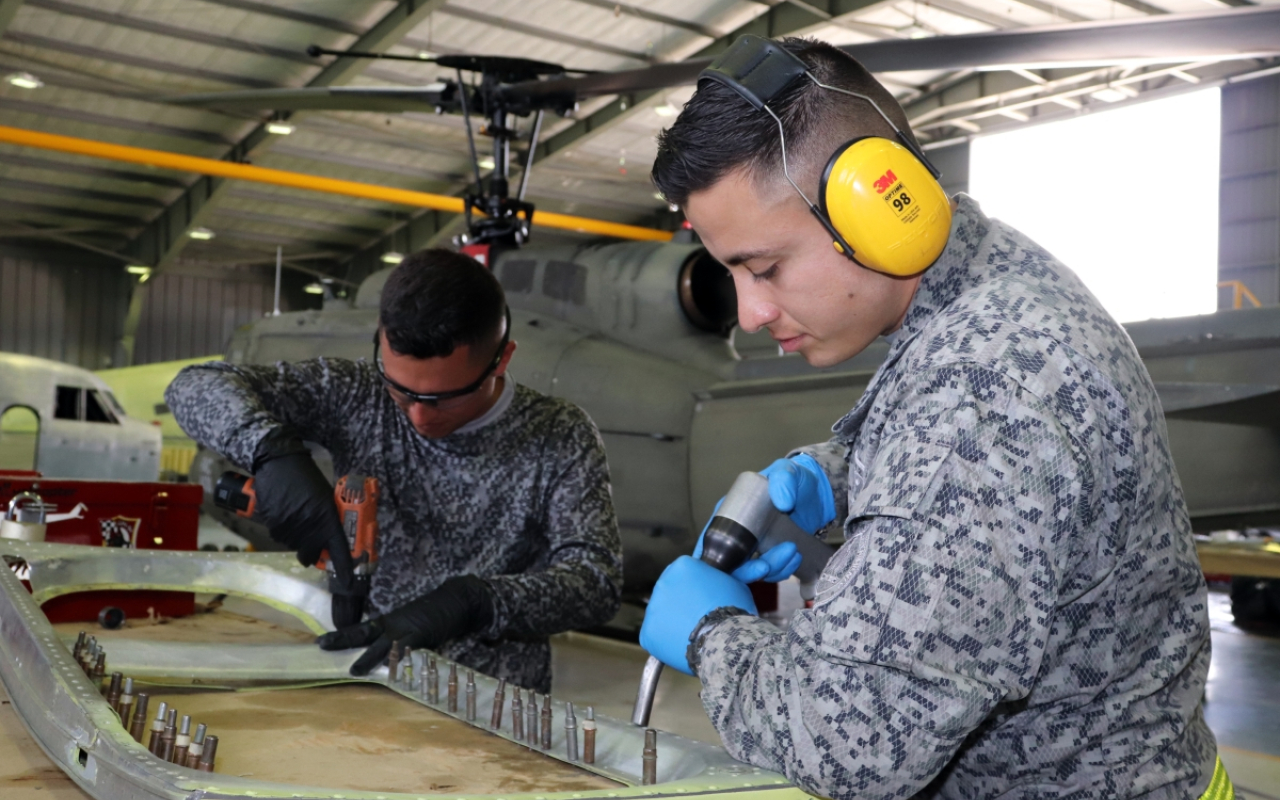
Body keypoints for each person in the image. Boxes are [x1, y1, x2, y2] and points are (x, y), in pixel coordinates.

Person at [638, 35, 1229, 799]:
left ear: (879, 213)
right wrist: (839, 474)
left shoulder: (983, 396)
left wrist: (712, 634)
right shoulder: (991, 279)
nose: (749, 312)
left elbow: (848, 745)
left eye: (765, 267)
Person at [167, 249, 622, 693]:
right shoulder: (358, 394)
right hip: (361, 683)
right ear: (381, 343)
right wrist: (270, 450)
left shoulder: (558, 434)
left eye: (444, 398)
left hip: (493, 708)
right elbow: (191, 386)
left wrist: (478, 602)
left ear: (501, 359)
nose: (419, 418)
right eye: (402, 391)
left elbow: (597, 581)